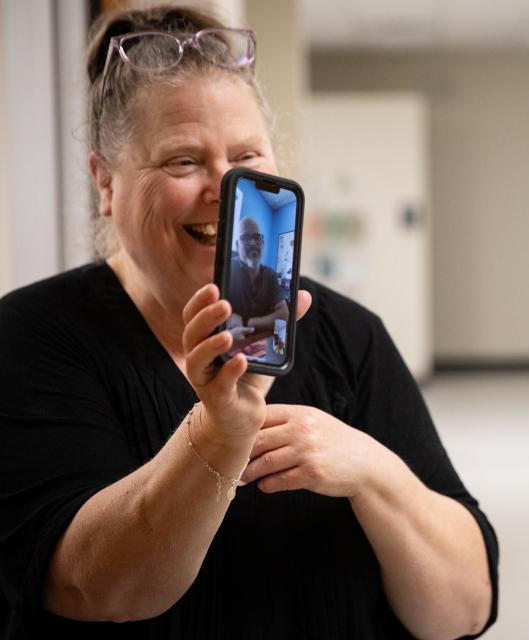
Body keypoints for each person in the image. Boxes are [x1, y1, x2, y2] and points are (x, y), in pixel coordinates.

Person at [0, 6, 497, 639]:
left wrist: (373, 470)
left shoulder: (349, 335)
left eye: (247, 155)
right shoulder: (34, 336)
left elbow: (464, 609)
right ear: (105, 181)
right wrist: (217, 435)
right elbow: (97, 588)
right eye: (183, 161)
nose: (225, 186)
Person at [225, 217, 287, 354]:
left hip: (263, 345)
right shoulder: (227, 269)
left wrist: (249, 322)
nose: (253, 243)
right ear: (237, 245)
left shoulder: (270, 275)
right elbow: (219, 312)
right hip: (233, 348)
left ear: (263, 244)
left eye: (257, 238)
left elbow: (284, 314)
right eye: (246, 238)